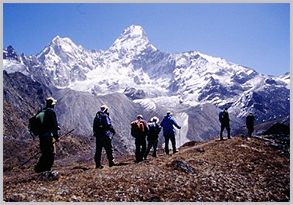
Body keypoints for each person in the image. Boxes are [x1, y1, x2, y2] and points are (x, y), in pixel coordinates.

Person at [34, 97, 59, 173]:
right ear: (52, 105)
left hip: (42, 136)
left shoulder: (42, 111)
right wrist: (56, 136)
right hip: (49, 136)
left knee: (44, 153)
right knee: (50, 153)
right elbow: (54, 126)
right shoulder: (51, 112)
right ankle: (45, 170)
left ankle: (40, 169)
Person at [93, 105, 116, 169]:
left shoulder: (96, 117)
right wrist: (113, 131)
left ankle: (98, 165)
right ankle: (111, 162)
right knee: (109, 149)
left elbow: (94, 127)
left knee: (98, 150)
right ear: (106, 109)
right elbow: (108, 125)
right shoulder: (105, 116)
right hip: (105, 135)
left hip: (98, 136)